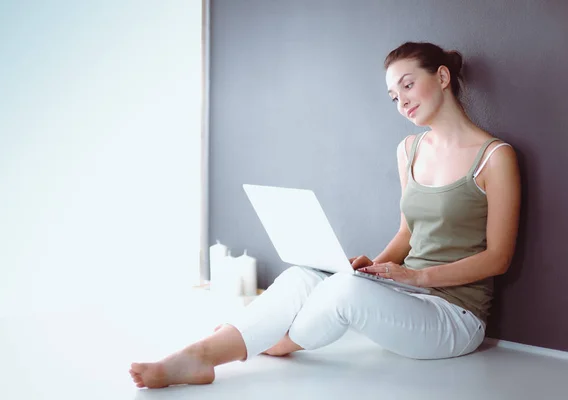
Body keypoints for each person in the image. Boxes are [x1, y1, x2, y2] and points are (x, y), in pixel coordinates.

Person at [129, 41, 521, 389]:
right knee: (304, 276)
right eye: (392, 95)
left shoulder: (495, 158)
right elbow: (407, 234)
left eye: (406, 84)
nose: (401, 101)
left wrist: (416, 275)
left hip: (455, 317)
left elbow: (498, 259)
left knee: (342, 291)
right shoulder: (409, 150)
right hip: (408, 292)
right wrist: (376, 269)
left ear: (441, 76)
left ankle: (270, 341)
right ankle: (201, 354)